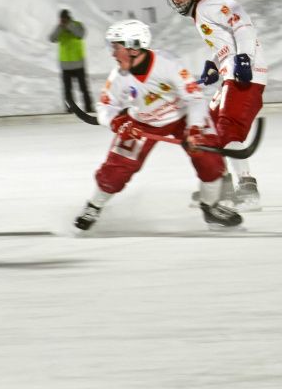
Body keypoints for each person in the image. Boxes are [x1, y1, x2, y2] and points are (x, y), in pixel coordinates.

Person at [73, 19, 242, 232]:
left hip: (183, 116)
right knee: (116, 169)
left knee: (209, 158)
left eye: (116, 47)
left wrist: (195, 128)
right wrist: (117, 122)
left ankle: (210, 207)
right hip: (142, 122)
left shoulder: (167, 63)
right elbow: (104, 106)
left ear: (134, 48)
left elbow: (195, 98)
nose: (112, 53)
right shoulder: (119, 76)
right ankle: (94, 206)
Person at [164, 0, 268, 211]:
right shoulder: (201, 14)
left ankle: (248, 189)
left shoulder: (211, 5)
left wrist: (244, 58)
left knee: (229, 129)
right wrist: (215, 63)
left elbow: (242, 24)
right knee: (209, 127)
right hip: (230, 73)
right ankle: (223, 186)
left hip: (244, 74)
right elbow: (225, 41)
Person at [50, 9, 90, 114]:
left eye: (65, 18)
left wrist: (69, 26)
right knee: (67, 91)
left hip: (78, 64)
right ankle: (70, 110)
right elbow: (52, 38)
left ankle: (89, 108)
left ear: (69, 18)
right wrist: (60, 27)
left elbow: (80, 34)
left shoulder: (77, 25)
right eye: (62, 19)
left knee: (83, 89)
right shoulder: (59, 28)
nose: (63, 20)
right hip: (65, 66)